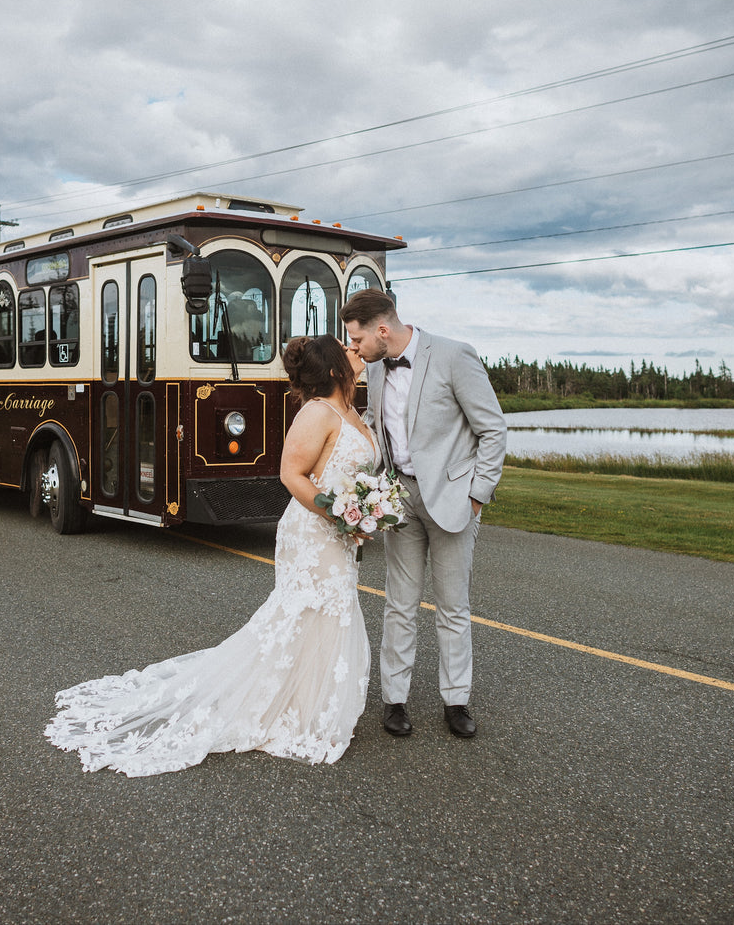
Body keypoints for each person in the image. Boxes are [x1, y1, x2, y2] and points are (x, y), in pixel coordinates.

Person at [46, 334, 378, 776]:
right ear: (336, 369)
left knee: (327, 614)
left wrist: (365, 514)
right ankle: (287, 708)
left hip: (339, 534)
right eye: (349, 350)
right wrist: (334, 512)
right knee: (306, 612)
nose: (357, 352)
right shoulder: (317, 413)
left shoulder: (353, 412)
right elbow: (290, 473)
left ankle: (310, 703)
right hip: (314, 533)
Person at [341, 289, 507, 740]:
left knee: (453, 608)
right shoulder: (374, 368)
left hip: (454, 502)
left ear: (382, 330)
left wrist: (478, 495)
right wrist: (365, 493)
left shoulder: (454, 356)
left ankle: (456, 701)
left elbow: (492, 429)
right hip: (401, 502)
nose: (353, 348)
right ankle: (394, 700)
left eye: (356, 339)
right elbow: (378, 430)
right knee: (399, 604)